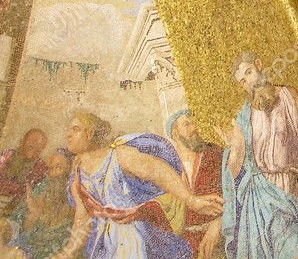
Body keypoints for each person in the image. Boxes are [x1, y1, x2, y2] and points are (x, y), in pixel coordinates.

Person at [53, 110, 223, 259]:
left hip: (132, 238)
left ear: (89, 133)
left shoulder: (118, 155)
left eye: (75, 129)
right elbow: (82, 219)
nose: (68, 135)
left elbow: (158, 171)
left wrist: (191, 200)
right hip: (103, 245)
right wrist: (67, 252)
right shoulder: (77, 176)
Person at [220, 53, 298, 259]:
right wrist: (233, 148)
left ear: (259, 65)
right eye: (242, 81)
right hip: (258, 202)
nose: (248, 83)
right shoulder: (244, 116)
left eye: (249, 73)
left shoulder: (288, 96)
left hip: (289, 195)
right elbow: (235, 168)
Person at [168, 109, 224, 258]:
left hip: (216, 240)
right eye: (187, 124)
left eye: (194, 123)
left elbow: (237, 191)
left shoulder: (215, 154)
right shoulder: (168, 166)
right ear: (175, 133)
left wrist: (219, 222)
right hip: (183, 245)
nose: (194, 128)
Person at [1, 150, 74, 259]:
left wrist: (38, 216)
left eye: (58, 167)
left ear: (70, 170)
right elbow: (18, 217)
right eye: (51, 168)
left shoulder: (74, 199)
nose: (53, 173)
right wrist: (8, 226)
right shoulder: (43, 187)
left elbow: (61, 239)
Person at [0, 131, 47, 219]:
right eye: (30, 147)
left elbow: (33, 194)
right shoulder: (7, 155)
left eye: (38, 150)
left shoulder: (41, 167)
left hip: (18, 211)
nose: (31, 155)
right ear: (23, 141)